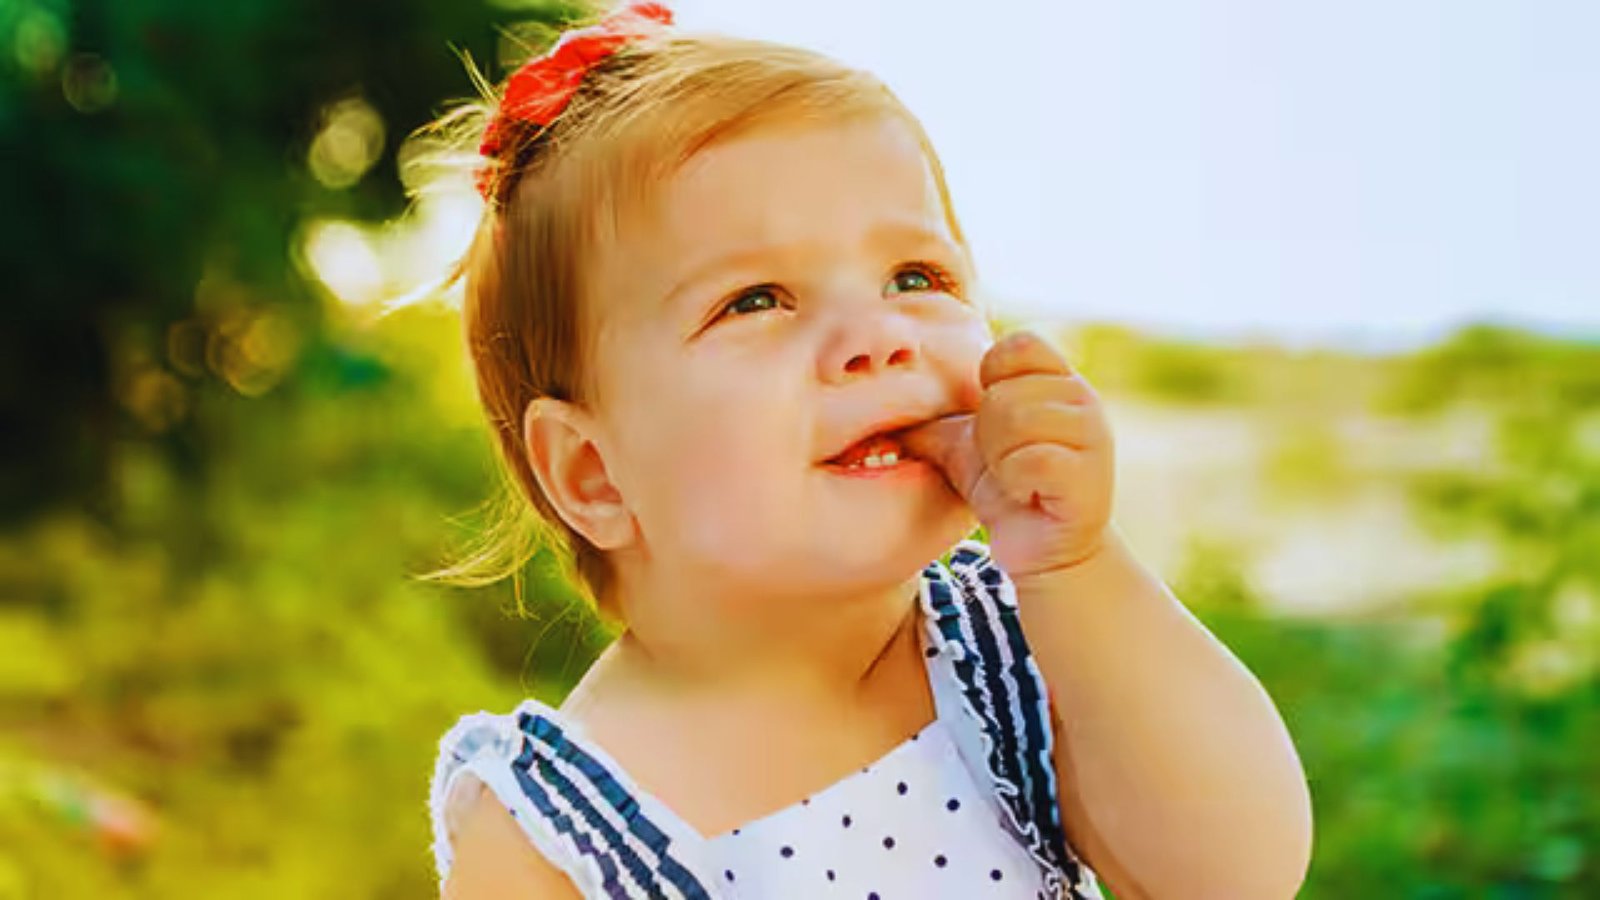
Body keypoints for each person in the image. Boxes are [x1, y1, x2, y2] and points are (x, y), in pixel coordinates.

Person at [420, 3, 1314, 897]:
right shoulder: (554, 836)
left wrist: (1079, 565)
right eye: (756, 300)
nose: (880, 338)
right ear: (594, 474)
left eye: (915, 278)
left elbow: (1234, 876)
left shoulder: (1011, 650)